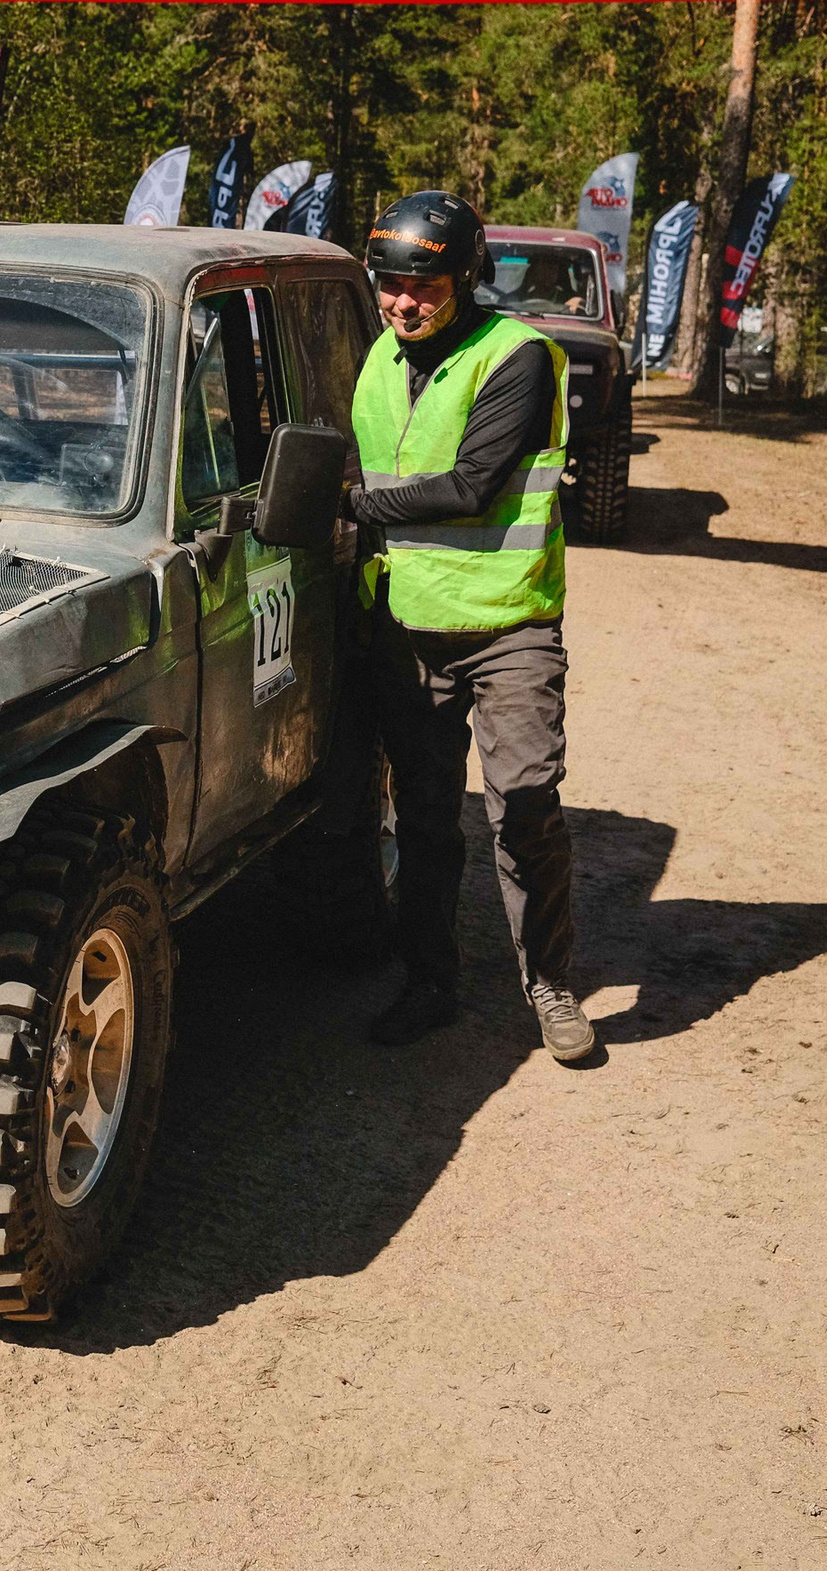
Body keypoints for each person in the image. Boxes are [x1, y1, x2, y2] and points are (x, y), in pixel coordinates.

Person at [344, 190, 594, 1064]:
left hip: (507, 623)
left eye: (426, 287)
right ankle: (430, 981)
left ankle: (551, 981)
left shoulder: (519, 357)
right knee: (422, 817)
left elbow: (474, 484)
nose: (404, 303)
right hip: (407, 624)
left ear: (467, 277)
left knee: (523, 805)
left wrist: (356, 507)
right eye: (390, 285)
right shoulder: (378, 359)